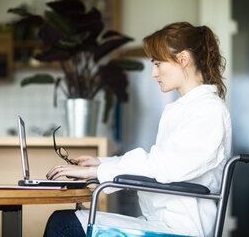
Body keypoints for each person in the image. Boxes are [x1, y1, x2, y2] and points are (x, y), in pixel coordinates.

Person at [44, 22, 232, 237]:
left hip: (181, 230)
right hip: (161, 222)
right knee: (63, 220)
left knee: (65, 224)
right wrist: (101, 163)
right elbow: (159, 162)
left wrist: (97, 172)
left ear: (183, 59)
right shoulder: (188, 108)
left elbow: (164, 167)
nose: (153, 73)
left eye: (158, 63)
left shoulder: (208, 110)